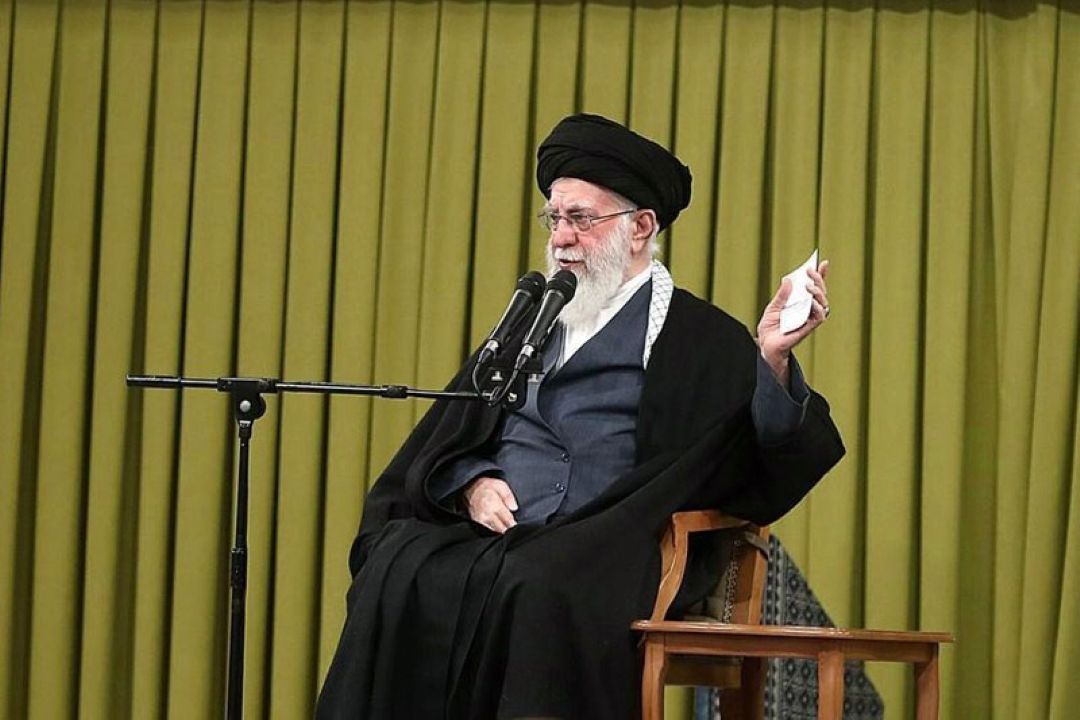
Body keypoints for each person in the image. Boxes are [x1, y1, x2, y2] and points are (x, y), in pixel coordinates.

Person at [316, 113, 844, 719]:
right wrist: (471, 482)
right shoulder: (528, 323)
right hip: (496, 541)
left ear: (641, 226)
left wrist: (771, 360)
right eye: (554, 218)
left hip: (608, 545)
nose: (561, 238)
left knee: (539, 583)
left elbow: (769, 452)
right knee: (399, 561)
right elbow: (454, 433)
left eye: (580, 219)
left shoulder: (699, 337)